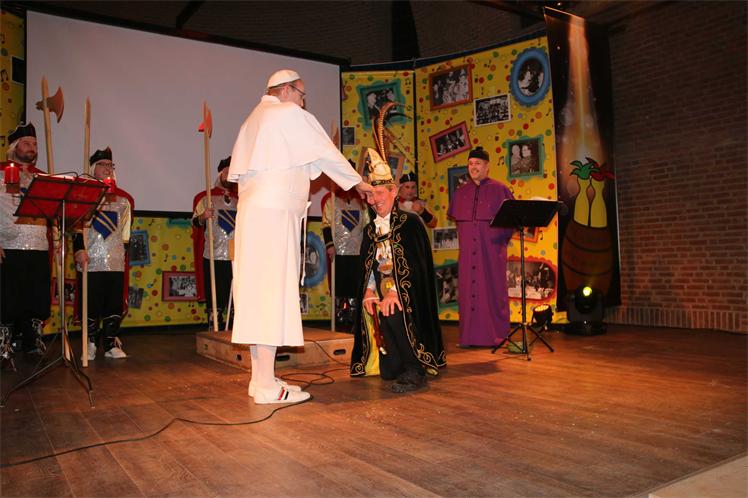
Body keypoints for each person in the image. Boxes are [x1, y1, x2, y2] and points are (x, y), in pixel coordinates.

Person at [228, 69, 373, 405]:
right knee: (271, 294)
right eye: (302, 94)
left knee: (259, 294)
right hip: (275, 215)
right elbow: (326, 153)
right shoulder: (286, 113)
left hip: (254, 214)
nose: (303, 102)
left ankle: (260, 379)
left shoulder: (253, 118)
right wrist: (359, 183)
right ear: (286, 90)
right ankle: (266, 386)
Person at [350, 148, 446, 393]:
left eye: (379, 193)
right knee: (388, 371)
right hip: (382, 292)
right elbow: (369, 266)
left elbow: (416, 268)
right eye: (369, 195)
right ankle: (396, 362)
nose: (374, 200)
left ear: (393, 191)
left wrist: (395, 292)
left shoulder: (410, 223)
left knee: (393, 308)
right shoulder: (370, 230)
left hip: (407, 295)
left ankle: (415, 368)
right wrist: (369, 291)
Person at [447, 146, 514, 347]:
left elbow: (510, 224)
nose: (473, 167)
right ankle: (468, 337)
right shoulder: (461, 192)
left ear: (487, 166)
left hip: (491, 252)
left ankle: (496, 336)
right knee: (468, 293)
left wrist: (496, 244)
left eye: (478, 163)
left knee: (494, 292)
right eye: (470, 163)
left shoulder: (500, 189)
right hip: (468, 254)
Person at [74, 147, 134, 360]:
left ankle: (110, 343)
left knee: (112, 303)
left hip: (115, 261)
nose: (108, 168)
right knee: (90, 302)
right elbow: (75, 226)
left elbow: (125, 234)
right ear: (93, 168)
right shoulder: (82, 195)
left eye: (110, 165)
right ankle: (90, 342)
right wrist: (79, 249)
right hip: (90, 259)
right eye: (103, 164)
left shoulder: (124, 200)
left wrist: (121, 254)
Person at [0, 123, 51, 356]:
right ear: (14, 147)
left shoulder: (42, 178)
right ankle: (3, 343)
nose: (32, 147)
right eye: (27, 143)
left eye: (35, 144)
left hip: (39, 245)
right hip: (8, 245)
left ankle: (32, 341)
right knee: (7, 298)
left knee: (36, 297)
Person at [191, 156, 237, 331]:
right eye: (226, 172)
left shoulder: (242, 199)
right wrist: (203, 216)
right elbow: (195, 223)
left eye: (232, 173)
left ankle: (234, 329)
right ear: (220, 174)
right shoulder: (206, 198)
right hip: (213, 254)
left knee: (235, 295)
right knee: (215, 293)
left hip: (235, 256)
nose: (229, 176)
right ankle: (214, 327)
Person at [321, 176, 367, 327]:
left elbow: (367, 225)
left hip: (357, 250)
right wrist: (330, 245)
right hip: (339, 251)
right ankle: (340, 315)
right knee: (339, 283)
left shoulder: (361, 202)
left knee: (355, 283)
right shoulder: (332, 201)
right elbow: (326, 225)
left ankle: (354, 316)